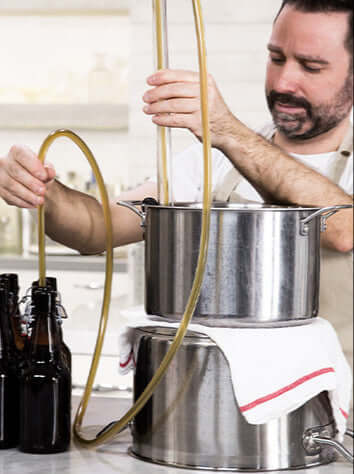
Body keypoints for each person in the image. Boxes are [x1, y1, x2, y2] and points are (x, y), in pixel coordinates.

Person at [0, 1, 352, 359]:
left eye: (311, 66)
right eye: (276, 58)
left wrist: (226, 131)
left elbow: (343, 228)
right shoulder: (215, 159)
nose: (283, 81)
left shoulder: (229, 140)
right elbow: (95, 229)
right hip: (210, 398)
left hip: (337, 407)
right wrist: (42, 191)